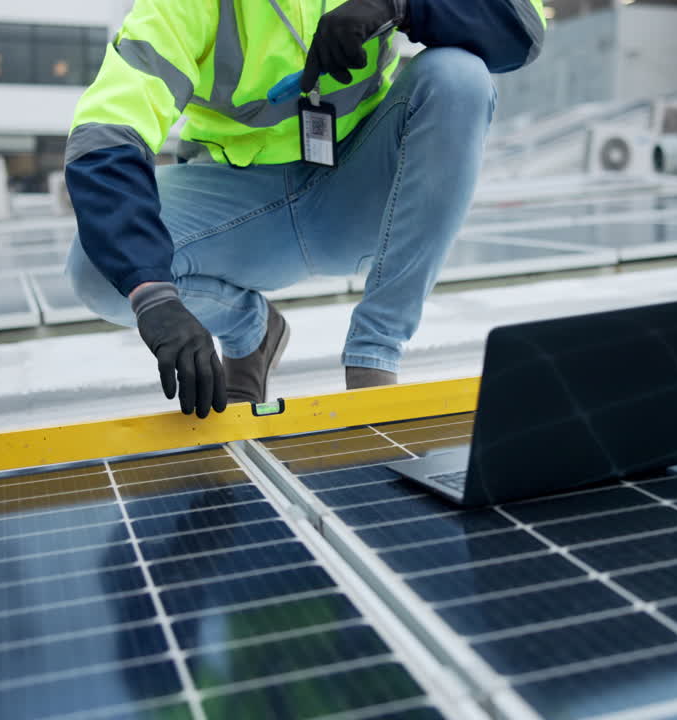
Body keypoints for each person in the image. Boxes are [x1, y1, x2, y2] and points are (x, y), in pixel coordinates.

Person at [64, 0, 545, 418]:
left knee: (458, 77)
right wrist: (155, 296)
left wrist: (399, 4)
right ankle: (250, 330)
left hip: (359, 196)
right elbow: (106, 133)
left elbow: (521, 28)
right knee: (101, 269)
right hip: (243, 212)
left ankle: (374, 356)